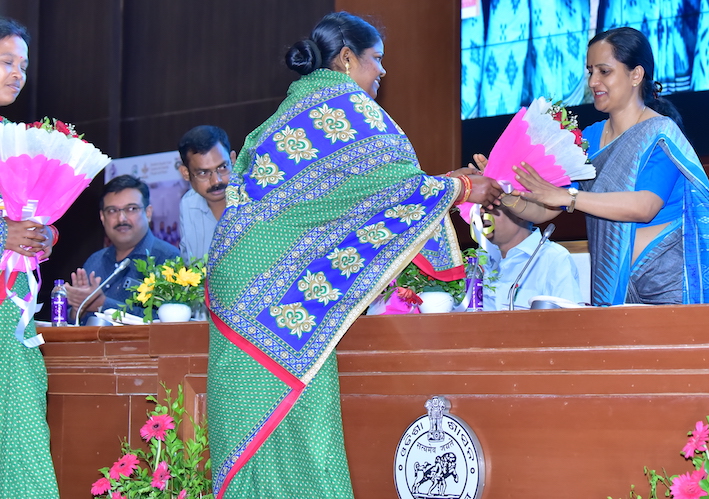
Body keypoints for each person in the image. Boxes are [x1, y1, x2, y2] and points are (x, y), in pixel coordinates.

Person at [205, 11, 501, 499]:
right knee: (301, 412)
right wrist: (465, 185)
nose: (382, 73)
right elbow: (397, 190)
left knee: (263, 418)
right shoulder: (346, 108)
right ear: (347, 59)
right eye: (376, 60)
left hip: (243, 283)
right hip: (277, 294)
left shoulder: (290, 111)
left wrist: (446, 187)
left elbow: (369, 198)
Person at [503, 26, 709, 306]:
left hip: (666, 282)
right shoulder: (587, 139)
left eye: (604, 71)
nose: (593, 81)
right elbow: (543, 210)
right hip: (610, 284)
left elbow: (643, 207)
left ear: (636, 74)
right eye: (590, 71)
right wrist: (506, 195)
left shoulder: (660, 133)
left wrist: (566, 197)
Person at [0, 17, 62, 498]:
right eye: (6, 62)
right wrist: (5, 232)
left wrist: (42, 234)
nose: (17, 73)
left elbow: (26, 216)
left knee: (20, 413)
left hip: (13, 302)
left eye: (23, 65)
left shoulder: (13, 138)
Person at [65, 174, 179, 322]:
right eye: (112, 211)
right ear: (102, 217)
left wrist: (102, 305)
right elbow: (72, 321)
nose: (121, 219)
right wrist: (77, 310)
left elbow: (172, 322)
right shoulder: (95, 261)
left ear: (148, 213)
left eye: (131, 209)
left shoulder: (168, 259)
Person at [480, 204, 582, 310]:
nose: (482, 215)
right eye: (481, 208)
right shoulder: (476, 258)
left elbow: (570, 319)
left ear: (521, 213)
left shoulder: (553, 258)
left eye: (491, 207)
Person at [177, 125, 236, 260]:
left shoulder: (256, 198)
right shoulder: (188, 205)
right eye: (203, 173)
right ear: (186, 173)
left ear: (233, 159)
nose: (216, 181)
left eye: (223, 167)